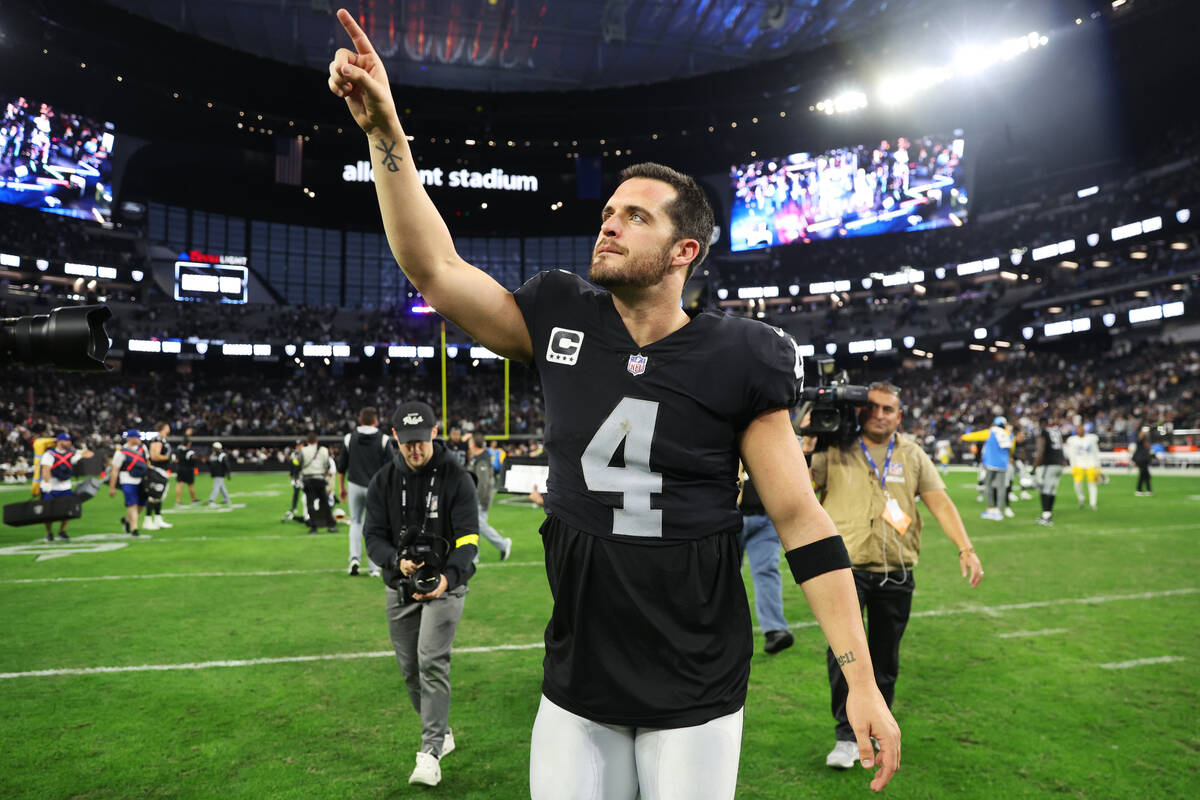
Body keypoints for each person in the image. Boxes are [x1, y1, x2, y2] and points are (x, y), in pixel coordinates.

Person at [329, 14, 900, 795]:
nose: (610, 221)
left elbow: (802, 520)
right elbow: (434, 270)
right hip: (579, 669)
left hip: (694, 678)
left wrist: (859, 680)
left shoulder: (741, 354)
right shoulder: (562, 313)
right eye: (609, 211)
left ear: (684, 252)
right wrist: (384, 130)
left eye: (637, 216)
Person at [805, 382, 983, 770]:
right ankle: (845, 736)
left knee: (885, 658)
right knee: (844, 656)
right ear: (860, 411)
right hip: (844, 570)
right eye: (873, 408)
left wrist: (965, 547)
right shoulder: (834, 447)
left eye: (888, 409)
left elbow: (940, 502)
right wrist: (806, 442)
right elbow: (800, 490)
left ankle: (877, 730)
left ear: (899, 416)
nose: (880, 415)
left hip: (896, 570)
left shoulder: (913, 455)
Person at [363, 401, 480, 787]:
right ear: (395, 438)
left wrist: (448, 578)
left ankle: (429, 753)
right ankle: (440, 730)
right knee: (410, 670)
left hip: (445, 584)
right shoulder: (383, 480)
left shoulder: (457, 478)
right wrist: (396, 562)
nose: (415, 450)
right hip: (400, 586)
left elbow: (467, 541)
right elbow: (373, 536)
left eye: (421, 441)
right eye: (407, 442)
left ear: (434, 432)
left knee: (431, 660)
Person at [737, 465, 792, 654]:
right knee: (723, 574)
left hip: (764, 517)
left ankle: (775, 630)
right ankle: (718, 628)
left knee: (767, 570)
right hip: (727, 517)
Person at [337, 407, 390, 576]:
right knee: (375, 526)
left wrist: (342, 487)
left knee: (355, 522)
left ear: (360, 420)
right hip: (375, 487)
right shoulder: (383, 439)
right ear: (376, 420)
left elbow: (341, 467)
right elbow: (391, 468)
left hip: (354, 485)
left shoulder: (349, 438)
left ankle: (354, 559)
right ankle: (374, 567)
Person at [467, 431, 513, 561]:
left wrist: (478, 500)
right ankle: (475, 556)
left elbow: (483, 483)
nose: (468, 444)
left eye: (470, 441)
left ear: (474, 443)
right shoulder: (478, 457)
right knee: (476, 525)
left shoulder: (482, 459)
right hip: (477, 498)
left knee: (479, 525)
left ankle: (503, 544)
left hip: (480, 500)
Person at [39, 432, 91, 541]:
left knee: (68, 511)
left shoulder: (71, 453)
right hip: (51, 486)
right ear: (60, 441)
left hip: (65, 486)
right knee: (48, 512)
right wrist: (47, 484)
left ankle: (62, 530)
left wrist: (82, 451)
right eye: (67, 441)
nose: (69, 443)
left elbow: (90, 454)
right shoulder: (50, 454)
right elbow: (46, 469)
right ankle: (48, 532)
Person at [962, 416, 1012, 520]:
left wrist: (963, 437)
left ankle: (990, 508)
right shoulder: (1008, 434)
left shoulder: (991, 431)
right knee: (1001, 487)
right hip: (1003, 464)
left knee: (988, 486)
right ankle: (999, 510)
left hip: (991, 463)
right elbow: (1011, 447)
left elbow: (974, 436)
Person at [108, 428, 148, 536]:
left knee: (141, 504)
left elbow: (147, 462)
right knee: (132, 504)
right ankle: (134, 528)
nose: (139, 440)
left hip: (142, 479)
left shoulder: (143, 448)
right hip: (127, 479)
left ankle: (126, 520)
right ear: (131, 438)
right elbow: (115, 470)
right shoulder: (121, 452)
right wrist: (112, 487)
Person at [298, 432, 337, 533]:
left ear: (307, 441)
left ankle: (313, 527)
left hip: (308, 480)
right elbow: (327, 465)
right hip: (320, 480)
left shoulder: (303, 450)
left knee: (310, 504)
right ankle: (331, 525)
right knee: (325, 503)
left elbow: (299, 464)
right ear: (317, 441)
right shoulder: (324, 450)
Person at [1032, 417, 1065, 525]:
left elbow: (1041, 449)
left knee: (1044, 489)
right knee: (1052, 490)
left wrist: (1034, 467)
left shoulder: (1044, 431)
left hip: (1050, 463)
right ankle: (1048, 514)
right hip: (1059, 463)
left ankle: (1046, 517)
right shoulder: (1056, 431)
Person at [143, 421, 174, 530]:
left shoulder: (163, 440)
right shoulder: (157, 439)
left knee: (159, 496)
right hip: (156, 470)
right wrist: (169, 458)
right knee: (153, 495)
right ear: (164, 427)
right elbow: (154, 456)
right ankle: (147, 520)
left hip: (162, 470)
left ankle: (157, 519)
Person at [1065, 422, 1102, 510]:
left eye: (1082, 428)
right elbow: (1071, 454)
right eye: (1078, 429)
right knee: (1077, 484)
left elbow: (1095, 452)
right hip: (1078, 464)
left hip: (1091, 464)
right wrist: (1072, 466)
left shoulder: (1091, 438)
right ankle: (1081, 498)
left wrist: (1098, 466)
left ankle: (1093, 503)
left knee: (1092, 484)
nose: (1080, 430)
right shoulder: (1072, 440)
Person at [175, 437, 198, 505]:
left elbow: (176, 459)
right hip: (188, 469)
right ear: (188, 443)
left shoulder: (178, 450)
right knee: (191, 485)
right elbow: (193, 461)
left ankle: (178, 501)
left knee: (179, 485)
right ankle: (193, 499)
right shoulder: (190, 452)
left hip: (180, 469)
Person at [1132, 430, 1155, 496]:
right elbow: (1140, 439)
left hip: (1144, 461)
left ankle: (1146, 490)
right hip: (1141, 461)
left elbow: (1150, 452)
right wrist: (1143, 434)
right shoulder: (1139, 443)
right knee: (1144, 476)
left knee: (1146, 476)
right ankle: (1140, 490)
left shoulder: (1145, 445)